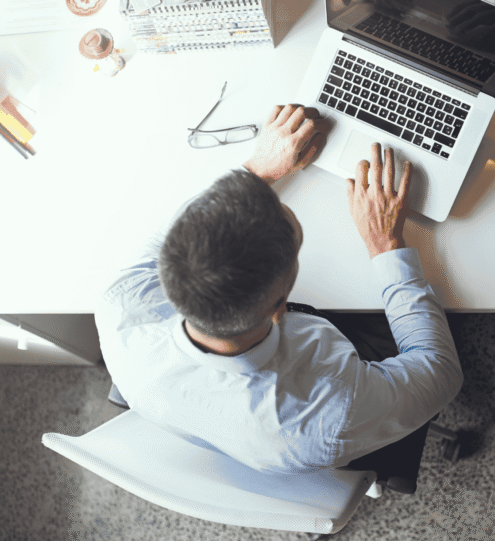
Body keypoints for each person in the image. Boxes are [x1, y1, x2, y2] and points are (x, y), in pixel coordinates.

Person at [95, 104, 463, 474]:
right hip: (294, 434)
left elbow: (186, 229)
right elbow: (441, 374)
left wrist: (256, 170)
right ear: (280, 306)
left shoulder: (119, 310)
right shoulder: (330, 411)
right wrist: (385, 245)